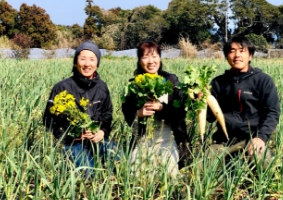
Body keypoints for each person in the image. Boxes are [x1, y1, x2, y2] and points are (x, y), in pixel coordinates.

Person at [43, 40, 119, 176]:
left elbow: (107, 114)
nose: (87, 64)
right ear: (75, 62)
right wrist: (74, 135)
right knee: (88, 174)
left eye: (92, 59)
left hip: (96, 139)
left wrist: (102, 132)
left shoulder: (102, 87)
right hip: (73, 142)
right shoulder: (62, 87)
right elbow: (48, 120)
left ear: (97, 64)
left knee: (121, 162)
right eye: (83, 59)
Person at [207, 36, 280, 168]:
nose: (237, 55)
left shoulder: (263, 80)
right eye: (232, 51)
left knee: (262, 163)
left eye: (242, 51)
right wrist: (200, 101)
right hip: (224, 141)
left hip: (252, 139)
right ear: (226, 56)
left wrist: (261, 137)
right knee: (202, 167)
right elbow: (210, 117)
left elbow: (272, 112)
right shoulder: (218, 83)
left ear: (250, 56)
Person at [122, 41, 190, 177]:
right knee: (135, 173)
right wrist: (138, 114)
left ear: (160, 58)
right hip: (144, 137)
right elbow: (127, 114)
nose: (151, 61)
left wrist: (162, 108)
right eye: (145, 57)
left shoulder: (171, 80)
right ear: (139, 60)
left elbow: (181, 112)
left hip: (168, 135)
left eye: (154, 56)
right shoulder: (134, 84)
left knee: (169, 173)